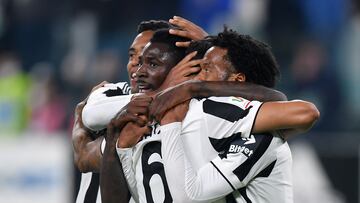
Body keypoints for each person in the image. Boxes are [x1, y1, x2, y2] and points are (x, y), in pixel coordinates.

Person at [150, 28, 320, 202]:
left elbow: (307, 113)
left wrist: (191, 92)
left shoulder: (229, 117)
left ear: (238, 80)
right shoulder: (214, 118)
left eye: (206, 69)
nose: (197, 77)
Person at [72, 19, 176, 203]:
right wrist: (165, 95)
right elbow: (90, 117)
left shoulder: (179, 114)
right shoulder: (112, 93)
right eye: (132, 56)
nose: (136, 64)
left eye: (148, 57)